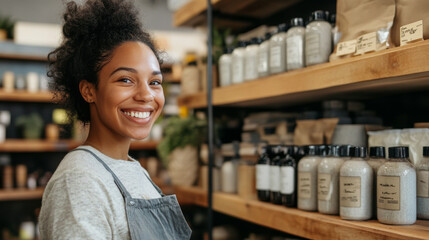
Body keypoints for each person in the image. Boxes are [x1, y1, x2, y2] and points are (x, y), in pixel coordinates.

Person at [38, 0, 192, 239]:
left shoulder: (134, 169)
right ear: (89, 91)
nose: (146, 95)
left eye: (155, 82)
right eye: (126, 80)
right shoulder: (79, 180)